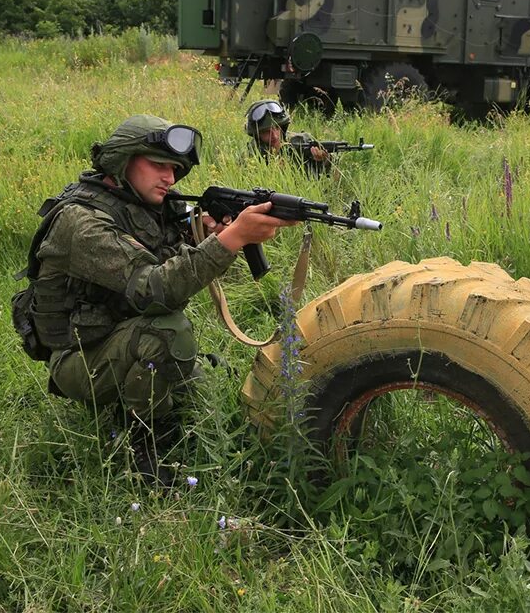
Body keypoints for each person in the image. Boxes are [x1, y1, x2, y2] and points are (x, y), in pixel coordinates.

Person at [27, 114, 295, 484]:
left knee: (205, 402)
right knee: (169, 333)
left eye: (173, 168)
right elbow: (156, 289)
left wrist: (211, 236)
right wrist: (231, 239)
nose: (169, 178)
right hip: (79, 356)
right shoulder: (82, 222)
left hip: (118, 333)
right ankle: (142, 449)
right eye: (157, 165)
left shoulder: (145, 208)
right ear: (123, 160)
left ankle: (146, 407)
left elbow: (170, 259)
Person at [245, 99, 333, 176]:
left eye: (276, 128)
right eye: (266, 132)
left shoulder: (300, 141)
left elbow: (326, 173)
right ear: (257, 135)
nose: (274, 136)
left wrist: (323, 160)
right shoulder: (252, 152)